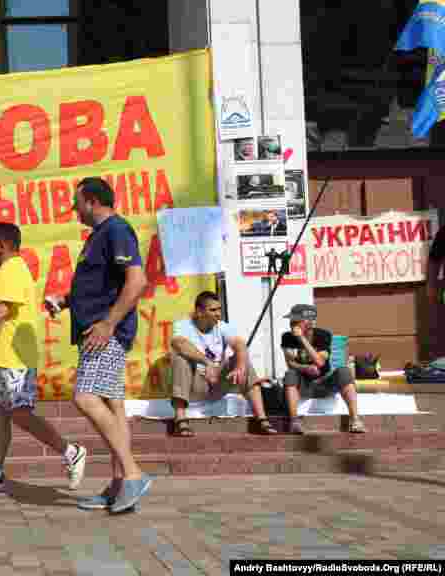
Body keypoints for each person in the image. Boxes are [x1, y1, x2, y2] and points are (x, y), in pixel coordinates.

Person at [44, 177, 151, 514]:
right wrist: (65, 301)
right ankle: (120, 486)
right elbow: (102, 285)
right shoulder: (99, 236)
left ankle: (133, 474)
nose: (74, 210)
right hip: (98, 330)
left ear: (91, 201)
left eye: (77, 203)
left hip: (105, 334)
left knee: (86, 397)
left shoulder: (117, 230)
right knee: (112, 404)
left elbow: (137, 281)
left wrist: (108, 324)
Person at [0, 222, 88, 493]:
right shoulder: (7, 270)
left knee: (19, 413)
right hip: (2, 357)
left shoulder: (12, 269)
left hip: (13, 357)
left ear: (2, 245)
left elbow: (1, 312)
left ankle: (71, 452)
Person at [169, 291, 273, 436]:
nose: (218, 314)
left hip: (218, 383)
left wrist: (240, 367)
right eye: (213, 310)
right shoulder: (183, 325)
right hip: (195, 385)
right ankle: (180, 420)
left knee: (243, 360)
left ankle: (261, 420)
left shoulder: (222, 326)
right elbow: (179, 344)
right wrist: (208, 363)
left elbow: (239, 344)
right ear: (199, 312)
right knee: (180, 359)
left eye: (219, 309)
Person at [280, 304, 365, 434]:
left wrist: (301, 338)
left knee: (344, 371)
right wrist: (305, 368)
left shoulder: (323, 335)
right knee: (290, 374)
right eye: (291, 321)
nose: (292, 324)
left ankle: (355, 420)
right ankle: (294, 422)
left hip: (324, 383)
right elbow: (290, 363)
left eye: (296, 321)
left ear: (309, 322)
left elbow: (319, 362)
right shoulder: (287, 337)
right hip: (303, 384)